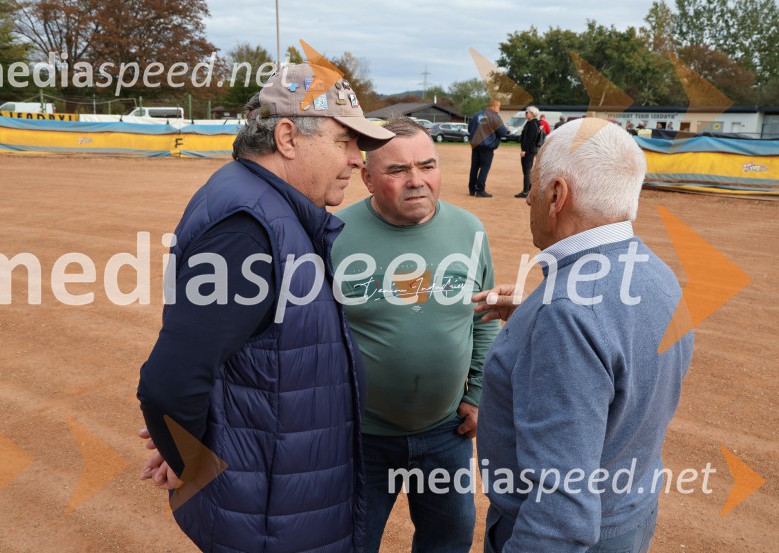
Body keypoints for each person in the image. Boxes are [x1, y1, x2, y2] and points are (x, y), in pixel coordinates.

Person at [137, 63, 394, 553]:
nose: (358, 160)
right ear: (287, 137)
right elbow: (169, 384)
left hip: (283, 500)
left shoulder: (267, 206)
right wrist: (192, 463)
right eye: (346, 142)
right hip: (271, 519)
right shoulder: (248, 228)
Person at [473, 118, 694, 552]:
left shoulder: (568, 314)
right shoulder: (654, 271)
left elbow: (560, 508)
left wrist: (548, 325)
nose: (529, 197)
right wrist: (528, 320)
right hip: (628, 513)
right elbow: (618, 351)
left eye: (535, 184)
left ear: (557, 195)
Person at [332, 116, 498, 552]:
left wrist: (477, 394)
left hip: (447, 433)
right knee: (350, 543)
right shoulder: (334, 237)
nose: (416, 181)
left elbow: (485, 318)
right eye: (397, 170)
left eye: (427, 166)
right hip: (360, 438)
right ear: (367, 178)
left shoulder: (469, 231)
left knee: (449, 543)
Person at [467, 99, 509, 198]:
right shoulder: (494, 116)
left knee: (474, 167)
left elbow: (469, 128)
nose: (499, 109)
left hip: (475, 145)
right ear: (494, 107)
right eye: (499, 107)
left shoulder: (477, 115)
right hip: (487, 147)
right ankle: (480, 190)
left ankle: (472, 189)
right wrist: (506, 129)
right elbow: (502, 132)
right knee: (484, 168)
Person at [515, 106, 541, 199]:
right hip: (529, 150)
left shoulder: (532, 124)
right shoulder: (531, 123)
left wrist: (524, 150)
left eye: (527, 112)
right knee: (527, 171)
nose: (525, 114)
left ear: (532, 113)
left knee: (526, 171)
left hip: (528, 151)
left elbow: (530, 139)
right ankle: (528, 190)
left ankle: (526, 191)